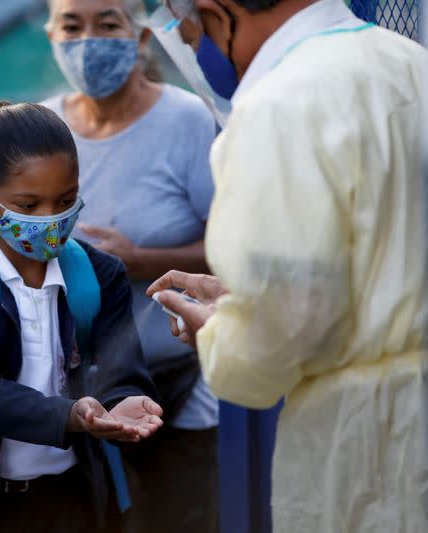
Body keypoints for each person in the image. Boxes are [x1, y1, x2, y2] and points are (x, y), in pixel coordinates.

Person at [148, 0, 428, 531]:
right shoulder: (410, 62)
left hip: (367, 454)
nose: (194, 51)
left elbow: (281, 334)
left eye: (191, 34)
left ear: (218, 13)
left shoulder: (277, 105)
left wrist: (223, 329)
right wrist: (251, 296)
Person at [0, 101, 163, 533]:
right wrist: (70, 416)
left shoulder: (101, 276)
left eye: (65, 201)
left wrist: (121, 401)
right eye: (28, 206)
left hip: (69, 500)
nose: (50, 220)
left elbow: (121, 368)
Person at [42, 1, 219, 531]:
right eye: (72, 26)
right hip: (74, 394)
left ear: (142, 38)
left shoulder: (187, 120)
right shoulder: (42, 126)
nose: (88, 40)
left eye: (108, 23)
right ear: (51, 34)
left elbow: (232, 249)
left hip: (181, 384)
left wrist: (138, 261)